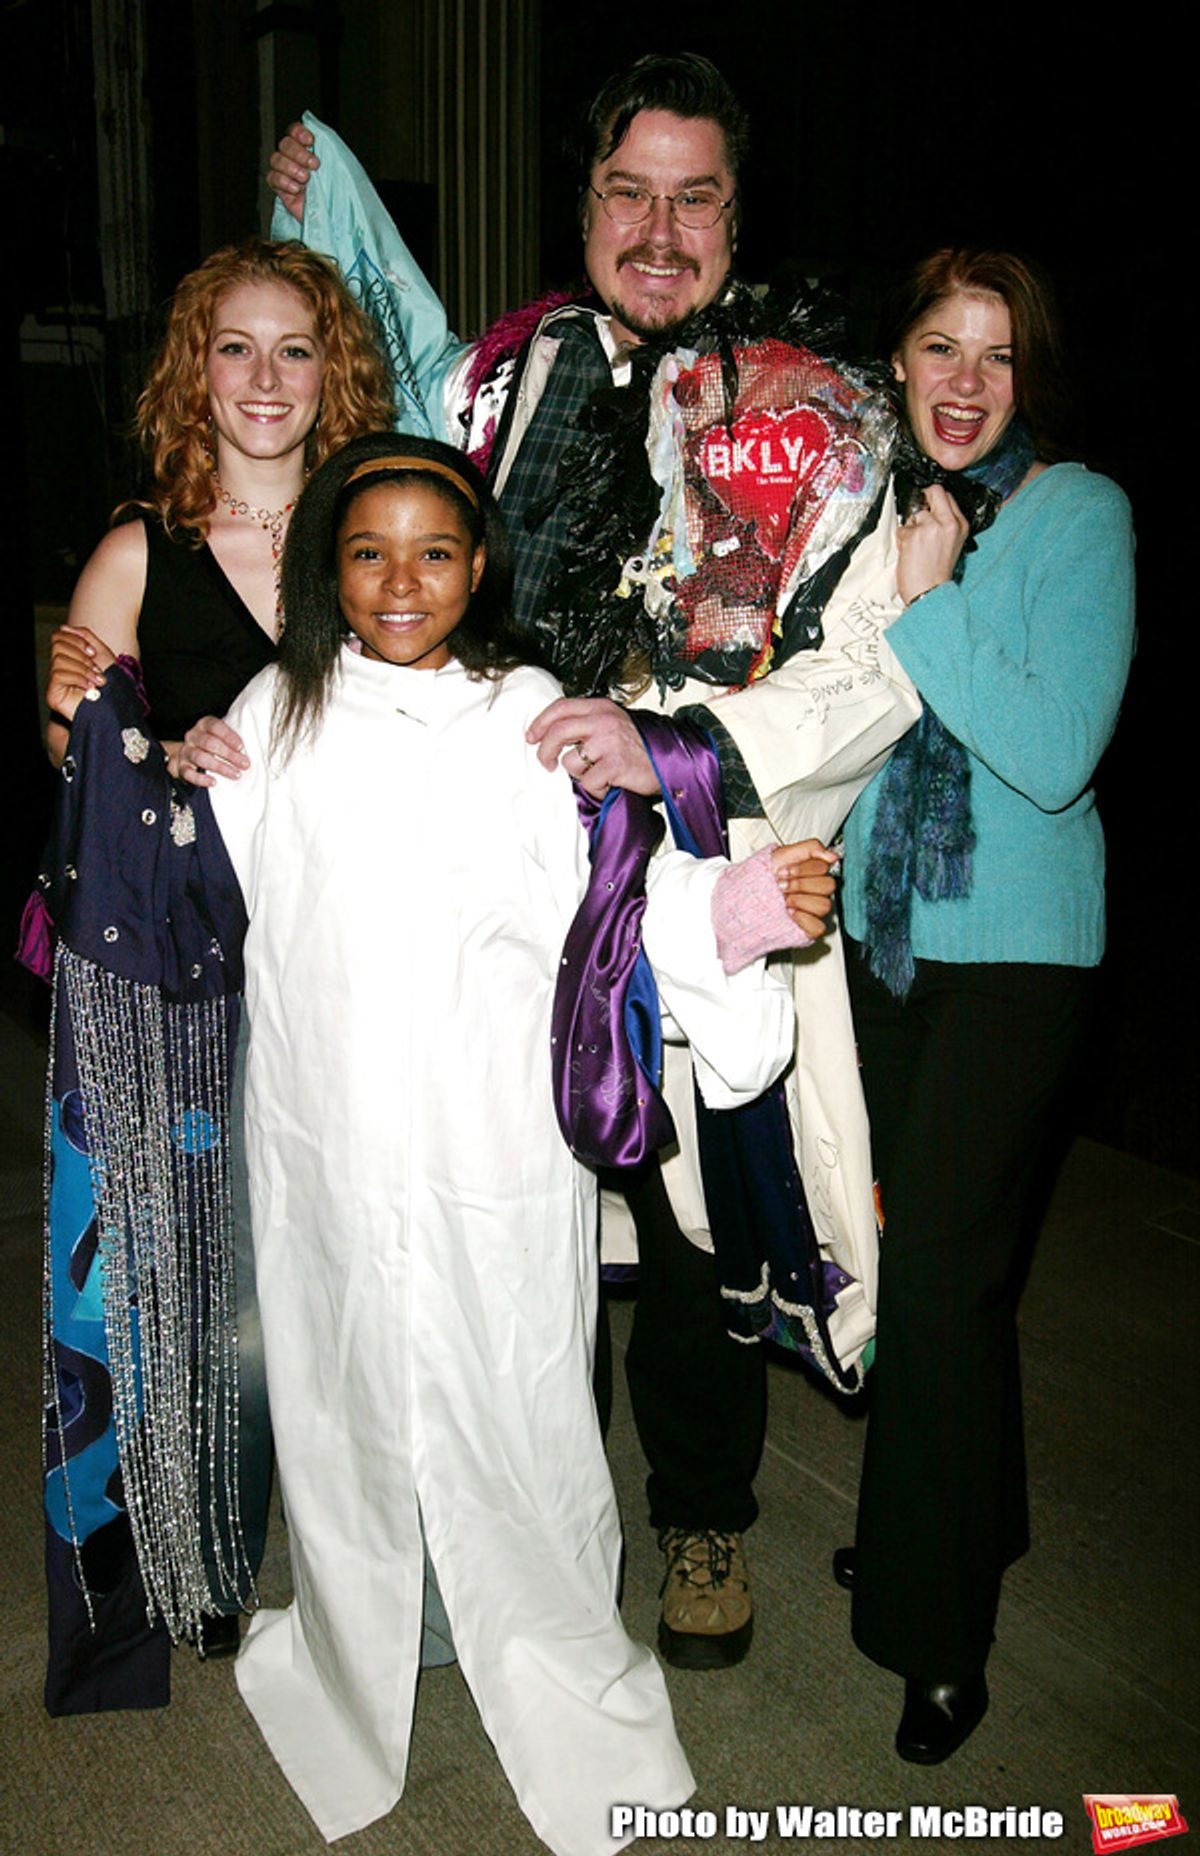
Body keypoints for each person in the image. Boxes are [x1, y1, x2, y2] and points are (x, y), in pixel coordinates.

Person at [44, 431, 838, 1852]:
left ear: (479, 566)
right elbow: (178, 885)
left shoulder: (530, 715)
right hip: (326, 1138)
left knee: (513, 1384)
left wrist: (741, 912)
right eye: (366, 552)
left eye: (432, 552)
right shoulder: (278, 714)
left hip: (489, 1144)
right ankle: (362, 1643)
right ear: (326, 572)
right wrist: (127, 743)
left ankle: (535, 1634)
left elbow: (616, 910)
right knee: (347, 1388)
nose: (400, 581)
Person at [265, 53, 924, 1671]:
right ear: (584, 208)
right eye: (630, 191)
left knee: (689, 1217)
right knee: (514, 1222)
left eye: (696, 197)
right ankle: (519, 1524)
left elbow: (880, 662)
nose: (660, 227)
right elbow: (390, 430)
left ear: (733, 217)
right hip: (508, 877)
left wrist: (676, 749)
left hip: (699, 867)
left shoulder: (820, 410)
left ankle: (701, 1517)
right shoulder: (514, 376)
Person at [37, 238, 395, 1710]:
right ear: (198, 370)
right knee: (209, 1277)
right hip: (187, 974)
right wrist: (140, 748)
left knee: (353, 1258)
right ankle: (207, 1558)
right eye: (235, 349)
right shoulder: (139, 544)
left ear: (336, 371)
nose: (265, 378)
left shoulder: (368, 531)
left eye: (295, 348)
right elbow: (66, 729)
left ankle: (378, 1549)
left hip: (353, 959)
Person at [833, 249, 1136, 1761]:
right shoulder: (863, 511)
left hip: (1017, 958)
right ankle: (954, 1520)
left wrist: (930, 602)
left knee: (942, 1282)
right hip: (880, 948)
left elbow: (1057, 744)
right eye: (938, 347)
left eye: (997, 357)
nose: (963, 382)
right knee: (922, 1266)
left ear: (1032, 379)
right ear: (895, 360)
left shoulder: (1080, 513)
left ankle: (936, 1632)